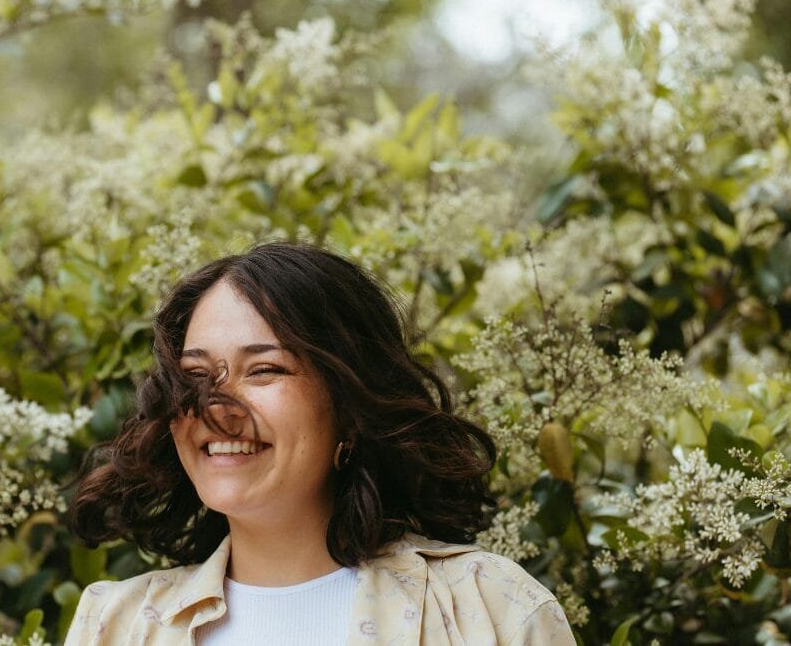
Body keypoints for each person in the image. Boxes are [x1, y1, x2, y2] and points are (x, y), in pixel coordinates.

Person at [65, 243, 575, 645]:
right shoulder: (114, 626)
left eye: (264, 370)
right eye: (195, 375)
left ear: (351, 405)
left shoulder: (490, 609)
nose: (216, 409)